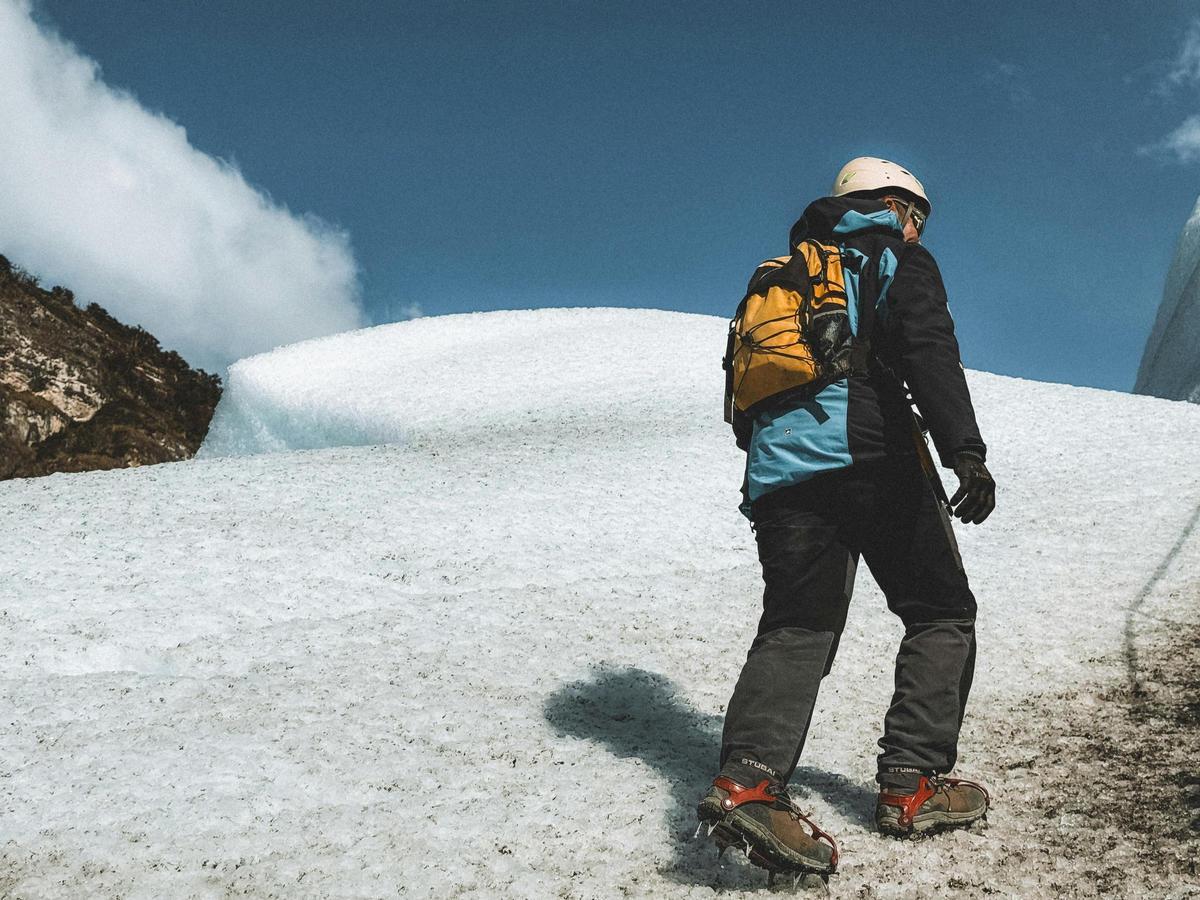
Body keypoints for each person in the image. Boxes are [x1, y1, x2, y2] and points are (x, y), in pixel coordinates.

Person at [696, 157, 996, 878]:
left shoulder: (779, 271)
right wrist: (967, 452)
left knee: (798, 623)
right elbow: (928, 346)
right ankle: (912, 784)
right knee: (941, 613)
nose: (917, 228)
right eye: (914, 213)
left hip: (780, 471)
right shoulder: (891, 255)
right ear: (889, 206)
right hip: (868, 453)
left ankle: (750, 784)